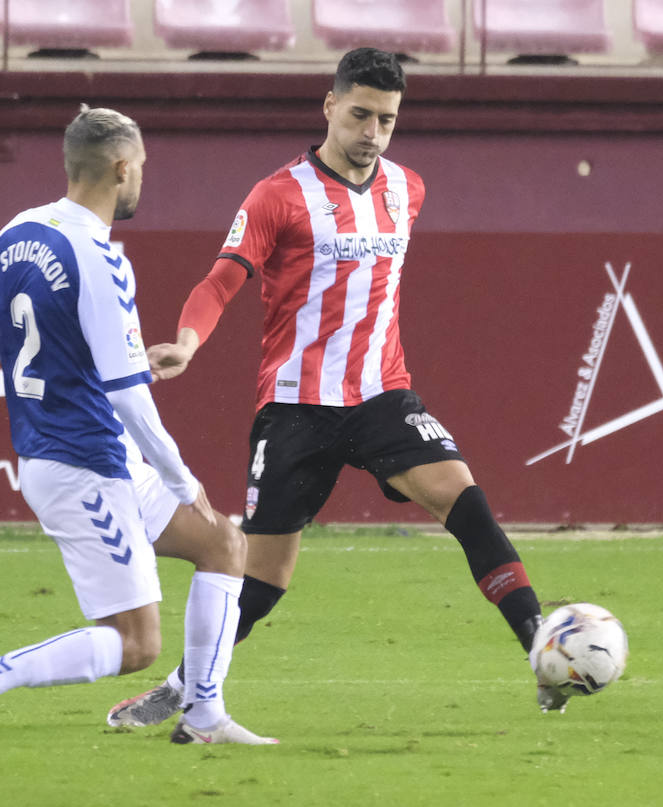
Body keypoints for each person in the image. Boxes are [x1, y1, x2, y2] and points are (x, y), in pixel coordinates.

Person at [107, 47, 563, 729]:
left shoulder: (408, 188)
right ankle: (184, 686)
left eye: (386, 119)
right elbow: (222, 278)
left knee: (466, 502)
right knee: (261, 583)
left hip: (383, 394)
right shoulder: (278, 194)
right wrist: (188, 342)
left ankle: (541, 651)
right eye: (360, 114)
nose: (372, 131)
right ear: (329, 105)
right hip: (295, 405)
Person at [0, 106, 276, 749]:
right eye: (140, 168)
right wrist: (180, 473)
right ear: (121, 168)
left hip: (83, 455)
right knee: (136, 643)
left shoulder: (13, 235)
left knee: (224, 544)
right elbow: (129, 398)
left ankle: (203, 717)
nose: (142, 178)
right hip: (85, 466)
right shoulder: (101, 259)